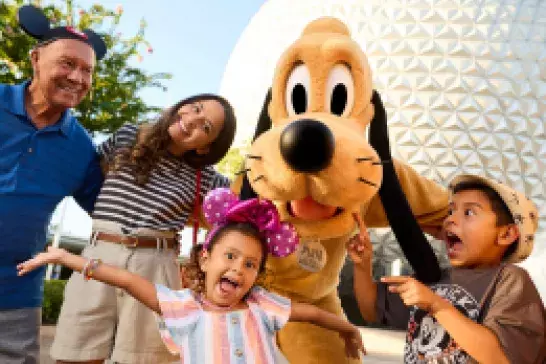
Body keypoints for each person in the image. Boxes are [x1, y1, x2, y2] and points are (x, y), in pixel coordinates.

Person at [18, 187, 366, 364]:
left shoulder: (263, 305)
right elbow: (125, 279)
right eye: (230, 256)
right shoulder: (182, 306)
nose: (238, 269)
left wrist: (348, 330)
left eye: (250, 264)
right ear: (204, 259)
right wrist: (68, 258)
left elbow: (314, 313)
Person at [48, 94, 237, 363]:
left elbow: (242, 200)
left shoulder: (205, 176)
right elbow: (91, 176)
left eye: (206, 127)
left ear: (206, 147)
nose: (193, 120)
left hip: (155, 265)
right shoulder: (128, 135)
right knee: (75, 353)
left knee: (142, 359)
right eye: (195, 108)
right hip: (99, 252)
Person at [0, 5, 107, 363]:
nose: (77, 78)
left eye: (87, 71)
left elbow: (108, 209)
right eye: (67, 63)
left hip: (15, 292)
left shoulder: (79, 147)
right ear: (35, 59)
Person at [348, 174, 545, 363]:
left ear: (507, 234)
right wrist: (363, 265)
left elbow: (501, 357)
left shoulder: (510, 280)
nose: (450, 219)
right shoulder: (435, 277)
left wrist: (436, 305)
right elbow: (371, 309)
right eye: (451, 211)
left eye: (469, 212)